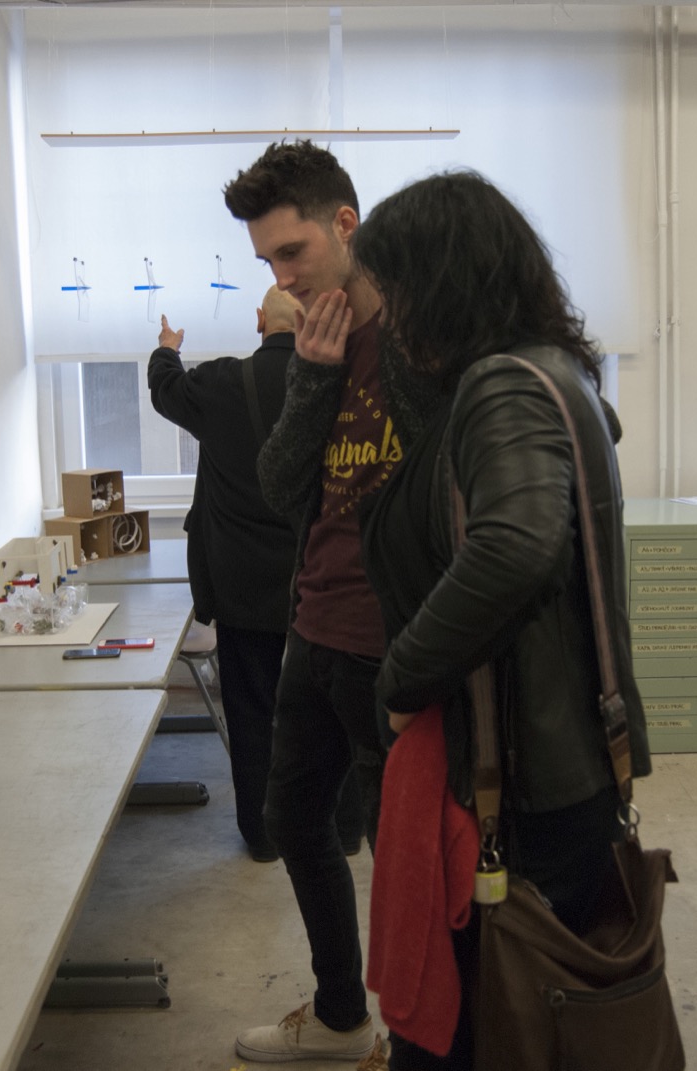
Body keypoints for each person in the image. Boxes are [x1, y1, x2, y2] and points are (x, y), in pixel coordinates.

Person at [350, 171, 653, 1070]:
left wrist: (401, 677)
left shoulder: (501, 388)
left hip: (524, 790)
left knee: (483, 1034)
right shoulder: (546, 373)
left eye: (394, 289)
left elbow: (516, 549)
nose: (388, 314)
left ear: (437, 283)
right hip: (559, 773)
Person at [223, 141, 435, 1069]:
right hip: (313, 629)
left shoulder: (423, 340)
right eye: (267, 259)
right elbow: (281, 485)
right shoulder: (320, 343)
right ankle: (345, 1016)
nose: (281, 277)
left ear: (345, 225)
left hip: (395, 646)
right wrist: (311, 373)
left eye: (292, 251)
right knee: (294, 821)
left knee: (404, 856)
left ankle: (420, 1036)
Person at [148, 286, 364, 861]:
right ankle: (345, 831)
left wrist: (167, 348)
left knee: (251, 711)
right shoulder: (342, 383)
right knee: (338, 709)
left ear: (259, 320)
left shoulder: (222, 382)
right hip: (321, 580)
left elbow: (166, 390)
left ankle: (263, 835)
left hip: (242, 584)